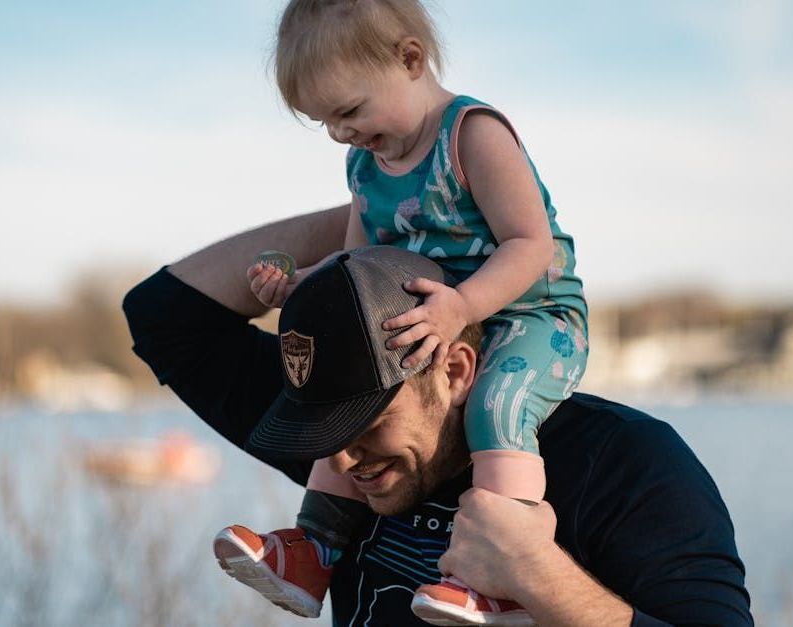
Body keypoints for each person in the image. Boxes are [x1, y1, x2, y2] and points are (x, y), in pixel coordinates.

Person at [123, 220, 754, 626]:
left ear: (454, 371)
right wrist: (385, 209)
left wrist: (540, 576)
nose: (341, 460)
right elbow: (164, 316)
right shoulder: (345, 463)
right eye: (323, 432)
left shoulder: (626, 463)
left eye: (364, 420)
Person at [223, 1, 589, 622]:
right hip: (436, 320)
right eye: (325, 123)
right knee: (345, 396)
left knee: (495, 404)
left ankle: (500, 577)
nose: (342, 133)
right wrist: (302, 282)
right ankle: (314, 551)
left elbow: (531, 245)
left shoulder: (473, 134)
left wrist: (463, 306)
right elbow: (358, 262)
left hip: (532, 319)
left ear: (410, 59)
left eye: (349, 111)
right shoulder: (365, 164)